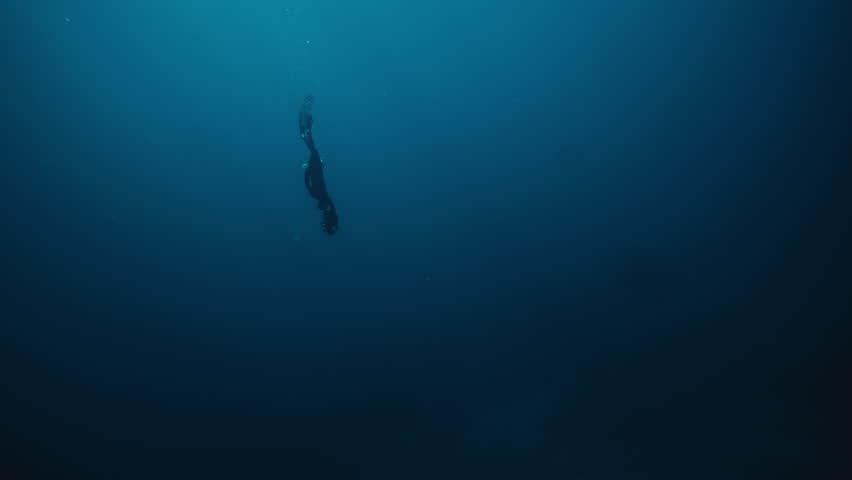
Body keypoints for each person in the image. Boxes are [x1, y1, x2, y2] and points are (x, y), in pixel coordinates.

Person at [299, 95, 338, 234]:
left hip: (315, 167)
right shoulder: (321, 196)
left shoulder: (318, 195)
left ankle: (306, 117)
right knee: (308, 141)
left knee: (308, 141)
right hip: (316, 167)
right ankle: (306, 117)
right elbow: (306, 183)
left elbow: (306, 182)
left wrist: (307, 169)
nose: (325, 208)